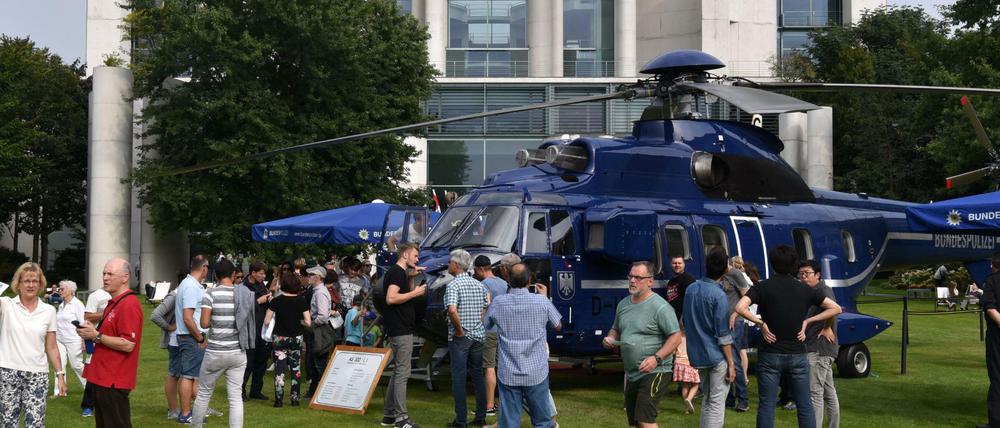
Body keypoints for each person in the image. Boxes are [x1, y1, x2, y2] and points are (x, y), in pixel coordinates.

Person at [734, 245, 842, 428]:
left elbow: (739, 307)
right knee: (805, 404)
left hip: (770, 353)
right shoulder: (805, 290)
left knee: (767, 405)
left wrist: (761, 323)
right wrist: (808, 322)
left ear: (772, 264)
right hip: (798, 353)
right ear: (793, 265)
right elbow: (835, 308)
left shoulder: (763, 287)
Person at [604, 261, 681, 428]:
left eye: (638, 277)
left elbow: (676, 337)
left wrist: (656, 358)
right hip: (633, 372)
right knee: (637, 423)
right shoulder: (623, 304)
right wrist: (610, 338)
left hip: (656, 370)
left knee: (646, 420)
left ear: (650, 281)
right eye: (630, 276)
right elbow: (615, 329)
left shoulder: (660, 307)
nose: (632, 281)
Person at [485, 264, 562, 428]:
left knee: (509, 423)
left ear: (508, 280)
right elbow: (558, 326)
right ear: (529, 280)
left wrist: (487, 306)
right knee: (542, 421)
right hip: (536, 371)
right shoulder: (541, 301)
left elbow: (485, 323)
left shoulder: (499, 302)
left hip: (509, 371)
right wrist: (545, 298)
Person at [76, 258, 143, 427]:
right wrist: (90, 335)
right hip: (102, 377)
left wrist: (97, 336)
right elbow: (107, 335)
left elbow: (128, 344)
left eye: (110, 274)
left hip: (114, 379)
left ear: (125, 277)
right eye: (104, 273)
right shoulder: (112, 303)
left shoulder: (129, 304)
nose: (105, 277)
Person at [191, 259, 256, 428]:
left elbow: (204, 323)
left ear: (215, 275)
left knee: (204, 394)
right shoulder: (242, 295)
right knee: (235, 398)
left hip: (215, 352)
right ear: (234, 275)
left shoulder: (210, 294)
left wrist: (217, 320)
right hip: (238, 352)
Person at [0, 262, 66, 427]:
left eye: (34, 281)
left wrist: (60, 375)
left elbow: (51, 347)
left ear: (40, 284)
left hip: (37, 376)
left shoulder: (49, 311)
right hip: (7, 372)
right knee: (8, 423)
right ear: (18, 284)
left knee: (36, 424)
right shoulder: (6, 305)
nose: (30, 285)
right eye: (26, 281)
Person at [683, 249, 737, 428]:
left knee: (708, 400)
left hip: (698, 354)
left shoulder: (691, 288)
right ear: (725, 269)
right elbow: (723, 334)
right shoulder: (719, 295)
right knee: (715, 403)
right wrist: (731, 363)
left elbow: (684, 321)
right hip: (716, 356)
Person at [381, 243, 428, 428]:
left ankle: (389, 415)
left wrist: (411, 279)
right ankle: (401, 419)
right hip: (400, 329)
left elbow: (401, 294)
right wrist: (416, 292)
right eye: (415, 256)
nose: (417, 260)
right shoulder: (397, 272)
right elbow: (391, 298)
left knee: (399, 371)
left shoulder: (400, 273)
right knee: (402, 373)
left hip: (400, 328)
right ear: (406, 255)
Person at [444, 250, 489, 428]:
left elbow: (452, 310)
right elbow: (486, 306)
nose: (447, 265)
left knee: (459, 378)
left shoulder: (454, 285)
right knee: (478, 376)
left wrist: (459, 330)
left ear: (456, 265)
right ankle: (480, 416)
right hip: (478, 335)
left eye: (449, 262)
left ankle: (461, 420)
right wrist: (477, 323)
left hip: (461, 337)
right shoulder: (479, 285)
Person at [798, 260, 840, 428]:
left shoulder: (822, 290)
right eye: (800, 273)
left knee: (815, 392)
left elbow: (835, 309)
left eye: (807, 273)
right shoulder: (813, 291)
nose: (803, 277)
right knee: (829, 392)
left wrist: (827, 327)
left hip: (819, 348)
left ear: (817, 275)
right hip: (820, 348)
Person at [264, 271, 311, 407]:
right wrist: (299, 321)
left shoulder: (276, 301)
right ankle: (294, 399)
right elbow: (308, 322)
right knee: (296, 368)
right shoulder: (301, 301)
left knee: (279, 369)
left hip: (279, 337)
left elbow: (267, 321)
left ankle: (279, 400)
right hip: (296, 337)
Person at [174, 255, 210, 423]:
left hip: (190, 336)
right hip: (191, 337)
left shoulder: (189, 285)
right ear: (204, 268)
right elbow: (188, 317)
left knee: (191, 375)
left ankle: (194, 412)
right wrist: (200, 337)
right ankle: (186, 413)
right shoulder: (190, 287)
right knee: (188, 375)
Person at [474, 254, 507, 416]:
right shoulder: (504, 283)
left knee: (489, 367)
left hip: (489, 330)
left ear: (481, 269)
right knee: (502, 367)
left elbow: (483, 309)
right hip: (503, 331)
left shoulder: (483, 285)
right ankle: (503, 403)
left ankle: (489, 405)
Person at [720, 257, 751, 412]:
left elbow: (748, 297)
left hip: (735, 322)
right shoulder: (718, 275)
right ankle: (729, 398)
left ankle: (743, 399)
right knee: (724, 361)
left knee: (734, 360)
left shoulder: (735, 274)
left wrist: (736, 313)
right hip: (721, 323)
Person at [79, 276, 112, 417]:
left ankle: (107, 405)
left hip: (113, 339)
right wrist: (107, 312)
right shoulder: (96, 296)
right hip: (96, 339)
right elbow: (87, 316)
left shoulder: (121, 296)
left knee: (111, 374)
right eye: (105, 276)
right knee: (93, 373)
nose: (107, 279)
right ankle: (87, 406)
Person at [305, 265, 339, 399]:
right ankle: (314, 392)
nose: (308, 277)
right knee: (315, 363)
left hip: (319, 330)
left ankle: (326, 393)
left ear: (318, 277)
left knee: (319, 363)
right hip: (318, 329)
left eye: (310, 275)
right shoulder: (319, 291)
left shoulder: (320, 292)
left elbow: (323, 316)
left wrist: (311, 324)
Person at [150, 286, 182, 420]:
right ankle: (173, 411)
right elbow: (155, 315)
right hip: (176, 341)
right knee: (174, 374)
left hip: (185, 340)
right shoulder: (175, 295)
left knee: (184, 375)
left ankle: (196, 407)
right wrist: (169, 327)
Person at [241, 261, 272, 401]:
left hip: (263, 330)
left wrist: (269, 299)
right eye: (261, 273)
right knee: (248, 363)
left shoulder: (261, 285)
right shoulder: (243, 287)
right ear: (253, 273)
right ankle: (241, 391)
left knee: (261, 361)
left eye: (264, 273)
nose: (263, 275)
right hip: (249, 330)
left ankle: (256, 390)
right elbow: (241, 309)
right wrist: (258, 301)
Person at [54, 280, 87, 396]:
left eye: (61, 289)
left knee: (76, 364)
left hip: (74, 339)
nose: (59, 291)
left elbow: (83, 322)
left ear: (70, 290)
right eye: (59, 289)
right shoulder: (61, 305)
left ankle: (89, 386)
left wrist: (83, 340)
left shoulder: (77, 304)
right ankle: (59, 391)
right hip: (59, 339)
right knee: (59, 364)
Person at [980, 254, 1000, 428]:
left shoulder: (992, 281)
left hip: (997, 336)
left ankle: (996, 421)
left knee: (997, 377)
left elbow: (990, 308)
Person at [673, 327, 700, 415]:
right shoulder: (693, 336)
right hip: (690, 362)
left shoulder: (677, 336)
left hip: (679, 363)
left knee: (685, 385)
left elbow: (673, 351)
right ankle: (689, 399)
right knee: (696, 384)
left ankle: (687, 409)